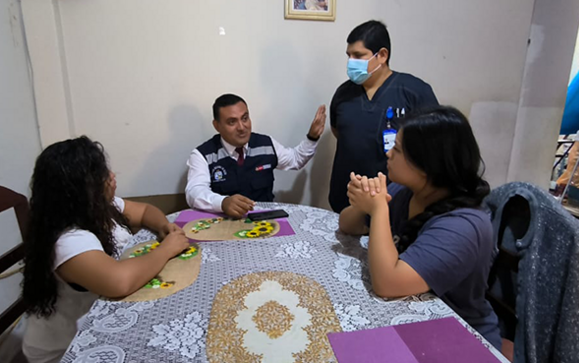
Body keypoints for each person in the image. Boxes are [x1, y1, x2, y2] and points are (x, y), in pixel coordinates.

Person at [338, 106, 501, 350]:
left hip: (456, 335)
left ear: (428, 166)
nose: (388, 153)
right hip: (410, 318)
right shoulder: (404, 192)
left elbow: (387, 284)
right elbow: (348, 226)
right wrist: (364, 204)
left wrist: (379, 209)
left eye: (398, 149)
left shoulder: (463, 227)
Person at [21, 136, 190, 362]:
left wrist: (163, 226)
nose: (112, 176)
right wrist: (166, 249)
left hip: (100, 318)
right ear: (80, 189)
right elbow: (119, 282)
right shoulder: (68, 240)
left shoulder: (98, 207)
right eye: (102, 175)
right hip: (67, 349)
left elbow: (145, 211)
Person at [329, 20, 439, 213]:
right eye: (349, 55)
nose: (351, 62)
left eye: (358, 55)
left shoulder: (413, 92)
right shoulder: (343, 94)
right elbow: (338, 131)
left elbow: (433, 146)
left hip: (395, 201)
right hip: (346, 199)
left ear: (382, 55)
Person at [186, 93, 326, 218]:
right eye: (232, 122)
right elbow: (194, 192)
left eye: (245, 118)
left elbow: (295, 160)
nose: (241, 127)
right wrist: (222, 203)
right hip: (224, 224)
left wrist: (312, 137)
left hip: (265, 222)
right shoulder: (203, 155)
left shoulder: (266, 144)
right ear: (217, 126)